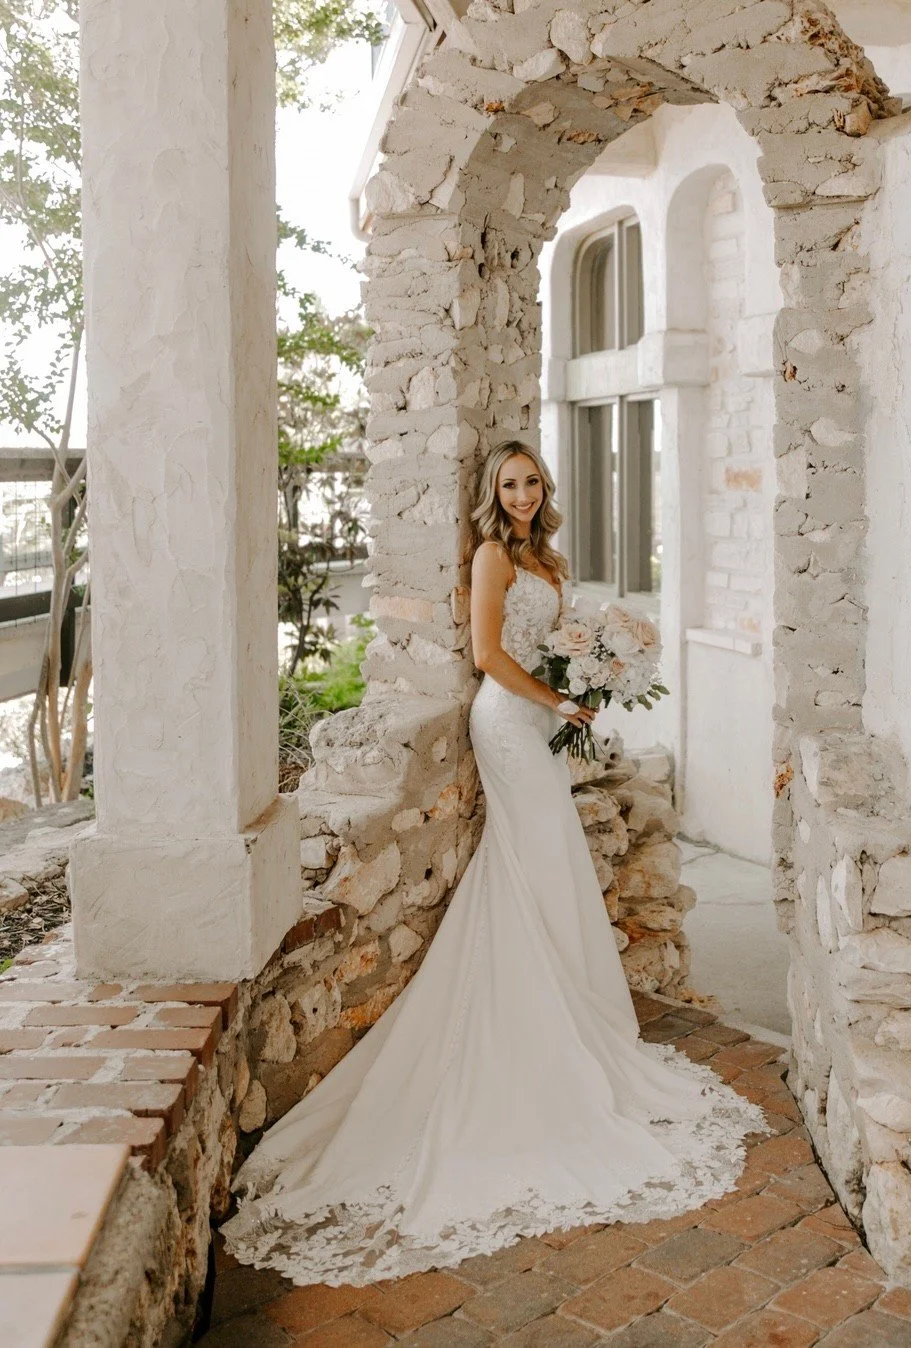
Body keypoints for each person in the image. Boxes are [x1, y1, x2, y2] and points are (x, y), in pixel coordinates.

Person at [221, 440, 762, 1287]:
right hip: (508, 724)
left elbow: (555, 643)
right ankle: (543, 1026)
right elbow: (486, 659)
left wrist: (590, 674)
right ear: (492, 492)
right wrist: (558, 698)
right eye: (508, 483)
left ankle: (571, 1010)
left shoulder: (544, 555)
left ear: (546, 486)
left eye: (531, 481)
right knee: (533, 855)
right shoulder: (490, 556)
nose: (520, 493)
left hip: (541, 721)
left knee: (544, 864)